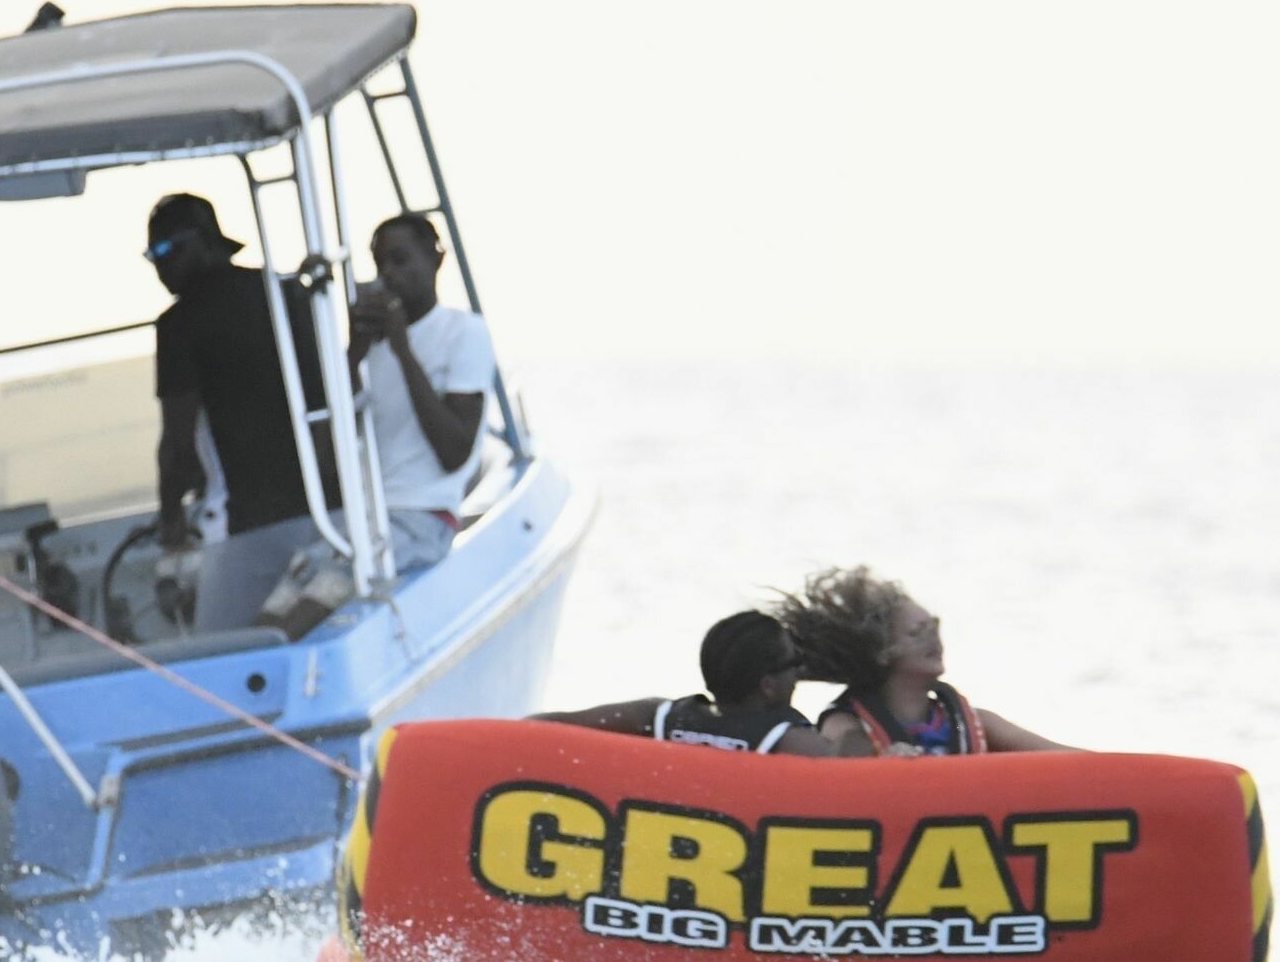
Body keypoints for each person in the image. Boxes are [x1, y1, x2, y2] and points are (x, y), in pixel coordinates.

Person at [256, 213, 494, 637]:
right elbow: (328, 460)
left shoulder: (464, 333)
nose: (389, 275)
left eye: (401, 260)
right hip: (363, 523)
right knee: (269, 621)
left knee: (303, 619)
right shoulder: (371, 351)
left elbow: (454, 452)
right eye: (381, 264)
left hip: (420, 519)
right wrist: (354, 354)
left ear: (436, 259)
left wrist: (403, 350)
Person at [147, 193, 336, 631]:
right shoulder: (285, 291)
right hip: (326, 509)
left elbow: (178, 444)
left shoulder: (179, 325)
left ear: (204, 243)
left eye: (168, 249)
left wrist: (171, 518)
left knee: (218, 646)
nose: (160, 265)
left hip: (251, 524)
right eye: (152, 255)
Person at [774, 566, 1074, 756]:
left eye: (934, 626)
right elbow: (834, 774)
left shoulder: (977, 723)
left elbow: (1073, 762)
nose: (934, 639)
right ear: (883, 652)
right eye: (918, 633)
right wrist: (879, 766)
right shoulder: (847, 724)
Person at [532, 610, 848, 755]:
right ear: (768, 685)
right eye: (794, 664)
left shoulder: (659, 717)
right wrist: (845, 715)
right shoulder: (787, 741)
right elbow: (857, 775)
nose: (797, 676)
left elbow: (543, 726)